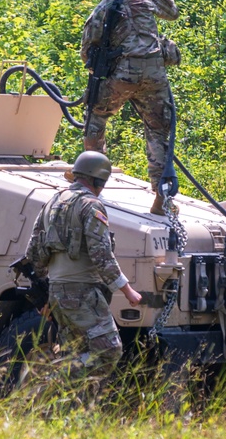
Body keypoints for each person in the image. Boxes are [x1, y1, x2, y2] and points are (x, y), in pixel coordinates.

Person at [23, 151, 142, 402]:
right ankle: (48, 388)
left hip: (57, 291)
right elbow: (102, 254)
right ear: (99, 181)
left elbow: (33, 252)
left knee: (75, 351)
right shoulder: (91, 205)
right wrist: (126, 289)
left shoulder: (51, 203)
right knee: (108, 350)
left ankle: (67, 413)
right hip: (82, 293)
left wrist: (47, 293)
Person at [81, 0, 181, 216]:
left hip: (122, 77)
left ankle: (91, 185)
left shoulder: (102, 9)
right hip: (155, 76)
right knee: (159, 130)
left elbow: (86, 54)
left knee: (96, 119)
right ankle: (163, 200)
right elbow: (172, 12)